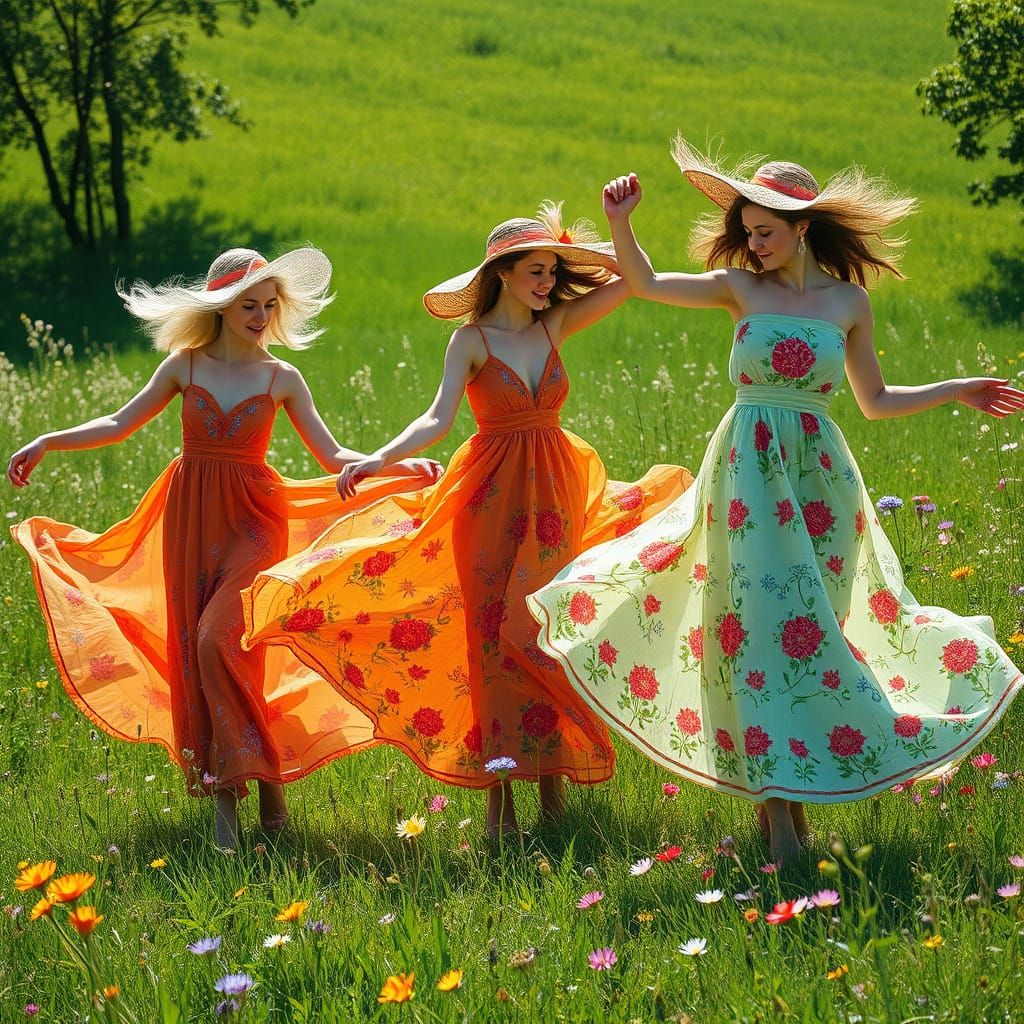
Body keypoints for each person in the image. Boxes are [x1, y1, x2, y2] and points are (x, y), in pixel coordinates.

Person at [525, 140, 1024, 864]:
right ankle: (781, 819)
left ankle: (804, 789)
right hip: (746, 479)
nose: (751, 244)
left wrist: (958, 387)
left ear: (802, 228)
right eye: (747, 231)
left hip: (820, 483)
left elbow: (876, 401)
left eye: (764, 231)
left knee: (816, 633)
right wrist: (621, 220)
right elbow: (645, 282)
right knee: (758, 633)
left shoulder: (847, 303)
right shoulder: (738, 289)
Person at [241, 204, 693, 837]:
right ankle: (499, 807)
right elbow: (437, 419)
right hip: (486, 498)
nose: (546, 283)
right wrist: (379, 457)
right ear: (502, 274)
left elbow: (634, 279)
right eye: (535, 270)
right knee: (490, 639)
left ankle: (555, 799)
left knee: (545, 632)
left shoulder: (555, 325)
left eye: (551, 272)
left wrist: (614, 226)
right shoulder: (472, 340)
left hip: (555, 494)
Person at [8, 247, 442, 849]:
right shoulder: (185, 367)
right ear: (220, 306)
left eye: (269, 305)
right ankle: (258, 798)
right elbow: (118, 422)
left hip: (254, 523)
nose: (261, 315)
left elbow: (334, 459)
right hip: (191, 522)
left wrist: (393, 467)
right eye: (249, 305)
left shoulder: (281, 378)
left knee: (219, 640)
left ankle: (234, 806)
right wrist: (47, 441)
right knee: (202, 654)